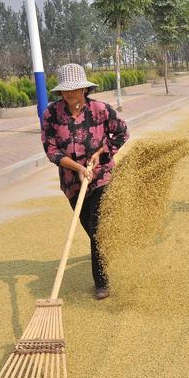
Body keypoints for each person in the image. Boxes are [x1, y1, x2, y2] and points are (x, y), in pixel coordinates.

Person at [41, 63, 129, 300]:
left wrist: (101, 153)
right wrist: (78, 167)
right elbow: (51, 150)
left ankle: (101, 282)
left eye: (76, 89)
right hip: (73, 181)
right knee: (91, 229)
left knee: (97, 226)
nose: (71, 94)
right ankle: (111, 251)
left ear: (85, 89)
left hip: (102, 176)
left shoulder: (100, 109)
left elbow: (122, 133)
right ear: (61, 92)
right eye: (67, 90)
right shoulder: (51, 115)